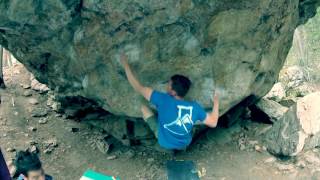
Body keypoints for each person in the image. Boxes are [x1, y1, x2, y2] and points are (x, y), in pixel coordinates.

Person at [120, 53, 220, 150]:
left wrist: (126, 66)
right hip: (185, 143)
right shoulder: (195, 107)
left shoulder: (162, 99)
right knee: (190, 124)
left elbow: (138, 87)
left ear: (173, 92)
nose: (166, 85)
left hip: (164, 142)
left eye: (168, 84)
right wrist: (216, 102)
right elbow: (213, 123)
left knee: (144, 108)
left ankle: (162, 137)